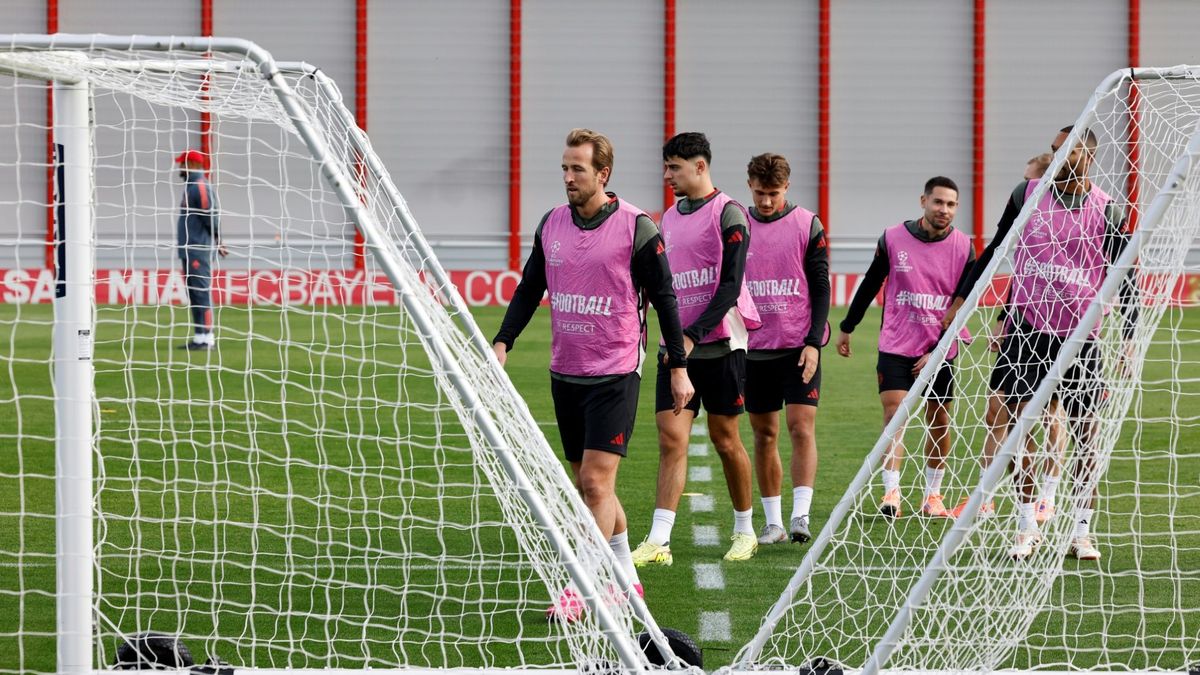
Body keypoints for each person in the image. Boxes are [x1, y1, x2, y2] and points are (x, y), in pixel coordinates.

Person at [492, 129, 693, 621]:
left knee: (597, 484)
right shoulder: (552, 224)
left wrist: (679, 368)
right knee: (589, 484)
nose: (568, 177)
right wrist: (503, 341)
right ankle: (626, 580)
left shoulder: (637, 228)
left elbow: (665, 298)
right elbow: (529, 286)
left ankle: (581, 587)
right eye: (564, 167)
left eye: (577, 168)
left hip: (616, 370)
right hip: (566, 371)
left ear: (602, 174)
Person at [943, 126, 1134, 561]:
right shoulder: (1025, 194)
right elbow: (995, 249)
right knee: (1016, 426)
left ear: (1088, 156)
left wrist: (1127, 336)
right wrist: (962, 300)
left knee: (1086, 435)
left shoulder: (1107, 211)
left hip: (1080, 336)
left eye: (1066, 150)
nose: (1058, 156)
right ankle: (1027, 524)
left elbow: (1127, 276)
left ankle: (1082, 531)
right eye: (1053, 149)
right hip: (1027, 329)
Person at [631, 132, 762, 565]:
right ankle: (658, 541)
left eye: (675, 168)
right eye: (666, 167)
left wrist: (692, 335)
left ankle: (745, 530)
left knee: (726, 440)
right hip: (677, 349)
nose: (667, 175)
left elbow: (730, 287)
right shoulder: (667, 218)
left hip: (721, 345)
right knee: (672, 439)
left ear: (700, 167)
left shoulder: (730, 214)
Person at [836, 177, 975, 520]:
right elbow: (871, 281)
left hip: (939, 348)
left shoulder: (964, 247)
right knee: (895, 414)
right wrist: (847, 326)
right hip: (897, 343)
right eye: (938, 202)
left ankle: (932, 495)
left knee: (939, 420)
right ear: (923, 201)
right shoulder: (893, 238)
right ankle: (892, 492)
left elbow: (964, 304)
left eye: (951, 204)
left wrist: (939, 349)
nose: (944, 210)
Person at [956, 147, 1069, 525]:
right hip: (1018, 325)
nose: (1024, 186)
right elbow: (1023, 276)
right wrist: (1004, 319)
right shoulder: (1026, 215)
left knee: (1050, 414)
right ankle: (984, 498)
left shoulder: (1063, 220)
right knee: (996, 410)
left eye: (1030, 178)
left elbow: (1052, 278)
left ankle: (1047, 497)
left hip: (1055, 329)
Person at [741, 153, 830, 545]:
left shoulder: (807, 224)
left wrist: (814, 342)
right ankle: (773, 522)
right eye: (760, 193)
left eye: (773, 193)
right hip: (753, 349)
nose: (765, 201)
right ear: (749, 185)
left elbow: (822, 285)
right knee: (764, 434)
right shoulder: (736, 223)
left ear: (787, 188)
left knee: (800, 427)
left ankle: (801, 516)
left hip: (797, 346)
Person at [175, 149, 227, 351]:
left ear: (194, 166)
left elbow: (211, 216)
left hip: (198, 249)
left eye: (183, 164)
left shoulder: (200, 187)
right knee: (194, 293)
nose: (180, 168)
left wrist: (218, 240)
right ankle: (199, 337)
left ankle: (208, 337)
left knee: (201, 292)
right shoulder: (191, 187)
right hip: (189, 249)